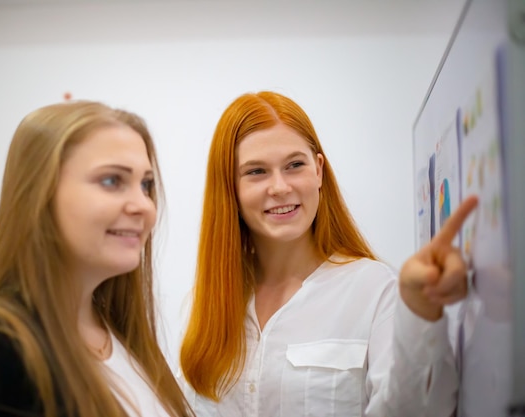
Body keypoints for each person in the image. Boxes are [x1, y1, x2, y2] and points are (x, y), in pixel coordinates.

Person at [179, 90, 478, 416]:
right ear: (229, 187)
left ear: (318, 170)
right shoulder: (203, 302)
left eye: (295, 165)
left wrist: (421, 312)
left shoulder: (374, 290)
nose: (280, 187)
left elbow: (422, 410)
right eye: (256, 172)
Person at [0, 101, 194, 417]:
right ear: (39, 194)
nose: (144, 206)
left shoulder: (124, 337)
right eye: (112, 181)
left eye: (146, 184)